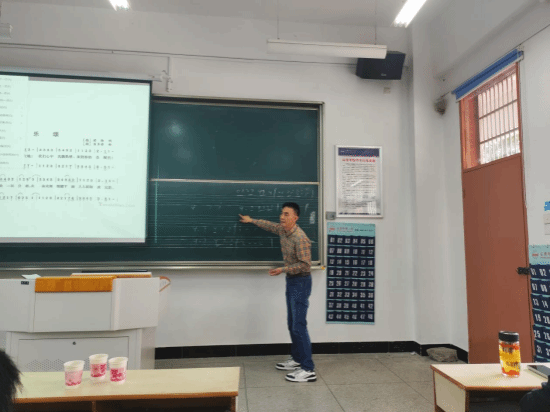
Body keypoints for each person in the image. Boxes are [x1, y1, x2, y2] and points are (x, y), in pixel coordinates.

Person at [239, 202, 316, 383]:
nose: (282, 217)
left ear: (295, 218)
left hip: (301, 282)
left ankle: (308, 369)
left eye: (286, 214)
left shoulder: (300, 238)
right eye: (282, 213)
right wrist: (252, 220)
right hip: (292, 280)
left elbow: (305, 265)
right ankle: (297, 359)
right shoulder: (283, 230)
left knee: (298, 325)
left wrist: (283, 269)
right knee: (292, 323)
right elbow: (269, 225)